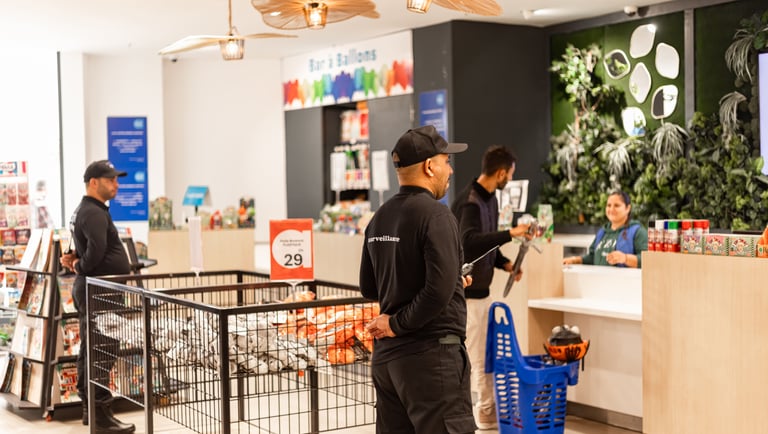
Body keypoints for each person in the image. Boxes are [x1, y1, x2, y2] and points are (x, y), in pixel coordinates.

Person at [359, 125, 477, 434]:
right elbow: (436, 294)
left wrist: (451, 284)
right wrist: (398, 324)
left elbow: (369, 287)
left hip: (388, 363)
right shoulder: (437, 216)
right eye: (446, 161)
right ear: (429, 166)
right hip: (431, 361)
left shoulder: (379, 217)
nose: (449, 170)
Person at [450, 145, 531, 430]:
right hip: (468, 298)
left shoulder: (490, 199)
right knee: (478, 358)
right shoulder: (469, 202)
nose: (509, 178)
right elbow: (469, 243)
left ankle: (488, 410)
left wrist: (506, 263)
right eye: (510, 174)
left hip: (483, 294)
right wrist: (511, 233)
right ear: (500, 173)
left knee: (487, 355)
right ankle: (485, 414)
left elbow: (488, 245)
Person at [60, 160, 135, 434]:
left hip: (99, 290)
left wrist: (76, 262)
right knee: (102, 351)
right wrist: (79, 265)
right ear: (94, 182)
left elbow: (86, 250)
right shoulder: (92, 212)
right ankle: (100, 415)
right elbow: (95, 253)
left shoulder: (92, 211)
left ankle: (91, 411)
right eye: (110, 180)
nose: (116, 184)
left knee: (95, 349)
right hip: (100, 290)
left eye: (116, 179)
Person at [563, 190, 648, 268]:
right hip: (601, 282)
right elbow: (592, 257)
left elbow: (648, 261)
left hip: (625, 283)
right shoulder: (602, 232)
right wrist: (574, 260)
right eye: (608, 205)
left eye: (617, 205)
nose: (611, 209)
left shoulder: (638, 231)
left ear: (628, 208)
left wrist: (625, 258)